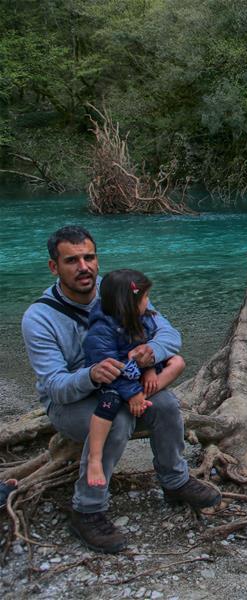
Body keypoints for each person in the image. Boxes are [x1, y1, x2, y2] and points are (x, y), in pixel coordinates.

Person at [21, 226, 220, 554]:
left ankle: (175, 481)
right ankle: (87, 509)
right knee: (117, 421)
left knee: (167, 405)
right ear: (54, 267)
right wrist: (91, 375)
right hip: (72, 402)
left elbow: (169, 334)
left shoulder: (119, 290)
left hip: (123, 385)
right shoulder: (39, 317)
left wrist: (150, 353)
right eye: (72, 261)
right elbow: (55, 387)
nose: (84, 267)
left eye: (89, 257)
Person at [83, 269, 186, 489]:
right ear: (129, 304)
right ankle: (94, 458)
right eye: (145, 298)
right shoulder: (101, 331)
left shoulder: (143, 318)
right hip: (110, 381)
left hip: (135, 374)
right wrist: (132, 393)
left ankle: (176, 481)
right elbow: (111, 370)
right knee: (108, 406)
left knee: (177, 363)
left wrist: (150, 368)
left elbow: (150, 346)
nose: (149, 302)